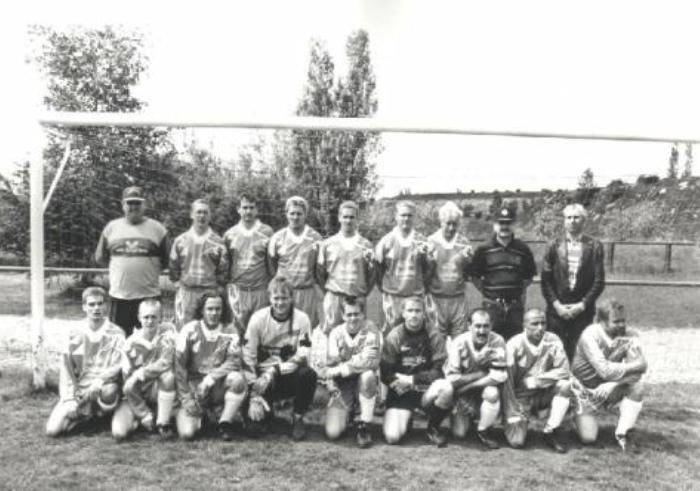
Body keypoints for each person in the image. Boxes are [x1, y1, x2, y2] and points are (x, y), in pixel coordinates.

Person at [243, 276, 317, 440]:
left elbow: (303, 355)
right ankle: (267, 414)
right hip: (262, 379)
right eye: (276, 298)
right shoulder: (258, 318)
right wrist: (254, 393)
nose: (280, 303)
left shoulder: (302, 319)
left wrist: (274, 371)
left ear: (292, 298)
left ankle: (297, 417)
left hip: (286, 375)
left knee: (308, 374)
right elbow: (248, 356)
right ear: (269, 298)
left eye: (284, 298)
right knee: (254, 430)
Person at [46, 287, 125, 437]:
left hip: (102, 386)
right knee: (53, 430)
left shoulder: (117, 333)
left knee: (110, 391)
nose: (96, 308)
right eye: (91, 304)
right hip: (80, 390)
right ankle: (88, 418)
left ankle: (101, 415)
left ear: (106, 306)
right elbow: (66, 368)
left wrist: (100, 380)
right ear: (84, 307)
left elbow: (118, 365)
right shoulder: (74, 333)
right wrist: (69, 398)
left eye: (100, 303)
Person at [571, 299, 647, 451]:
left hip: (608, 388)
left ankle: (623, 433)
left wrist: (614, 384)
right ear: (600, 321)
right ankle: (575, 414)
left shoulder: (631, 335)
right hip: (584, 391)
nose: (622, 325)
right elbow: (605, 370)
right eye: (616, 321)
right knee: (589, 438)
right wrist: (637, 365)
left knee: (637, 388)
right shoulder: (590, 335)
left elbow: (638, 373)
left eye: (623, 320)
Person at [95, 186, 169, 336]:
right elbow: (100, 258)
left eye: (137, 203)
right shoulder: (111, 228)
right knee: (118, 339)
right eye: (129, 203)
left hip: (149, 296)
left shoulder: (158, 229)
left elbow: (167, 260)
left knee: (152, 340)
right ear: (123, 205)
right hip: (119, 297)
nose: (133, 207)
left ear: (144, 205)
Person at [174, 293, 247, 441]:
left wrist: (210, 379)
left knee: (238, 380)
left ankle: (224, 423)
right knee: (187, 434)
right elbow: (179, 366)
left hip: (217, 384)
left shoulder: (230, 330)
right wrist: (186, 398)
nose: (214, 313)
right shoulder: (189, 330)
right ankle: (203, 416)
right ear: (202, 310)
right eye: (210, 309)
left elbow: (234, 361)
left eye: (218, 309)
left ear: (223, 310)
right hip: (195, 387)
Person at [381, 297, 453, 447]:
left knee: (446, 388)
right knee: (392, 437)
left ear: (424, 313)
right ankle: (406, 419)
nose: (414, 315)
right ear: (403, 313)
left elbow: (439, 372)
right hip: (401, 393)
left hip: (424, 391)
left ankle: (433, 428)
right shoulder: (394, 336)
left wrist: (411, 380)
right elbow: (385, 371)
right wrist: (396, 383)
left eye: (418, 311)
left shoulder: (434, 335)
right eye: (410, 310)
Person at [502, 309, 572, 453]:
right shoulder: (514, 344)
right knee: (517, 442)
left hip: (544, 392)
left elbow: (564, 370)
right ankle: (517, 420)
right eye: (534, 324)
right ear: (524, 325)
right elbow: (507, 383)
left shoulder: (553, 339)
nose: (540, 328)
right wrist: (511, 410)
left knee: (565, 385)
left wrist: (535, 381)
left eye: (543, 323)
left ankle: (550, 430)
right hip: (521, 397)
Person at [541, 204, 605, 359]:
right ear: (564, 221)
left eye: (577, 217)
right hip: (557, 310)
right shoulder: (553, 245)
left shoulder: (595, 246)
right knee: (555, 353)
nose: (572, 221)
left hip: (583, 310)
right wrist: (557, 305)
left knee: (579, 353)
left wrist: (582, 305)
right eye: (569, 217)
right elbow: (545, 281)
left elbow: (599, 281)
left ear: (584, 220)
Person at [112, 299, 177, 441]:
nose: (150, 321)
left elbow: (165, 363)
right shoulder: (130, 343)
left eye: (154, 317)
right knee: (119, 433)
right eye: (146, 317)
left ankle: (162, 422)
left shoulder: (167, 336)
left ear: (160, 318)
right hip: (137, 394)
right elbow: (127, 383)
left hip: (158, 389)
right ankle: (144, 418)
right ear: (139, 318)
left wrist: (139, 373)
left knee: (168, 377)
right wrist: (143, 413)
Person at [468, 206, 536, 340]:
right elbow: (475, 277)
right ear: (494, 225)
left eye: (508, 223)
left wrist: (516, 291)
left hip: (515, 308)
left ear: (514, 225)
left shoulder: (523, 249)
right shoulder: (483, 249)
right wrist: (490, 293)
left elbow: (528, 277)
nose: (504, 227)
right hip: (492, 307)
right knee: (490, 343)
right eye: (501, 223)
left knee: (515, 344)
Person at [444, 309, 507, 450]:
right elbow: (452, 379)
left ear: (491, 326)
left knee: (492, 393)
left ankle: (483, 429)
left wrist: (468, 387)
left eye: (486, 326)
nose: (482, 331)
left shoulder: (498, 341)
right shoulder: (458, 342)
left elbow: (499, 376)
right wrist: (481, 374)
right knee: (459, 434)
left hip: (475, 389)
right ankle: (466, 417)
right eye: (477, 326)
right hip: (463, 395)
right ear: (469, 326)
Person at [324, 296, 381, 448]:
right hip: (344, 384)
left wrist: (343, 368)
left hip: (362, 381)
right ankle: (349, 413)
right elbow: (331, 367)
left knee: (368, 375)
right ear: (343, 316)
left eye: (356, 314)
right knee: (333, 433)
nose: (353, 318)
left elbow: (372, 362)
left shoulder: (371, 329)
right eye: (349, 314)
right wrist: (359, 359)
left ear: (363, 314)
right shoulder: (336, 333)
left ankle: (364, 425)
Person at [316, 201, 376, 333]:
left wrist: (362, 292)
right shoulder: (328, 244)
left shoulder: (366, 245)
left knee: (358, 335)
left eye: (352, 217)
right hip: (335, 298)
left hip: (357, 297)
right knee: (332, 334)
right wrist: (331, 291)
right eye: (345, 217)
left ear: (357, 219)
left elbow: (372, 274)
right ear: (339, 218)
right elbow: (320, 272)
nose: (348, 221)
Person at [169, 200, 229, 329]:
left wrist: (217, 289)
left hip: (209, 293)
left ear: (210, 216)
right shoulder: (180, 240)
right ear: (192, 214)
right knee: (184, 330)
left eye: (205, 212)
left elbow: (224, 269)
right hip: (187, 293)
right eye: (199, 212)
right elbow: (173, 265)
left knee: (208, 330)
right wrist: (178, 285)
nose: (202, 216)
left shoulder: (218, 242)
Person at [375, 201, 431, 333]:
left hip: (415, 297)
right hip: (392, 298)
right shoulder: (386, 241)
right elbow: (378, 269)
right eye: (403, 215)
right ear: (396, 216)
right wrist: (386, 289)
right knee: (390, 335)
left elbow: (429, 269)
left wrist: (421, 288)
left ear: (414, 217)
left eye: (409, 215)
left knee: (415, 334)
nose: (406, 218)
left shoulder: (422, 241)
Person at [267, 196, 323, 328]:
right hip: (284, 294)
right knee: (283, 329)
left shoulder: (316, 238)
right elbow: (271, 264)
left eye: (299, 213)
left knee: (306, 329)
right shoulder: (277, 238)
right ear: (286, 214)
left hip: (306, 292)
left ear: (305, 215)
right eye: (292, 213)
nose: (295, 217)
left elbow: (320, 267)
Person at [223, 194, 275, 334]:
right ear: (238, 209)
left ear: (257, 210)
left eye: (252, 208)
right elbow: (226, 265)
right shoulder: (229, 234)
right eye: (245, 207)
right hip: (238, 291)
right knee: (237, 333)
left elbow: (272, 263)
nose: (248, 211)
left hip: (260, 290)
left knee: (261, 332)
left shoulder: (267, 232)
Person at [425, 201, 473, 340]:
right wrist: (429, 261)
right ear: (441, 222)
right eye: (448, 223)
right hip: (437, 299)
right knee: (437, 340)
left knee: (460, 340)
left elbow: (469, 273)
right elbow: (424, 275)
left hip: (458, 299)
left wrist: (468, 261)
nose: (451, 228)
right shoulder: (430, 241)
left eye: (455, 224)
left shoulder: (464, 243)